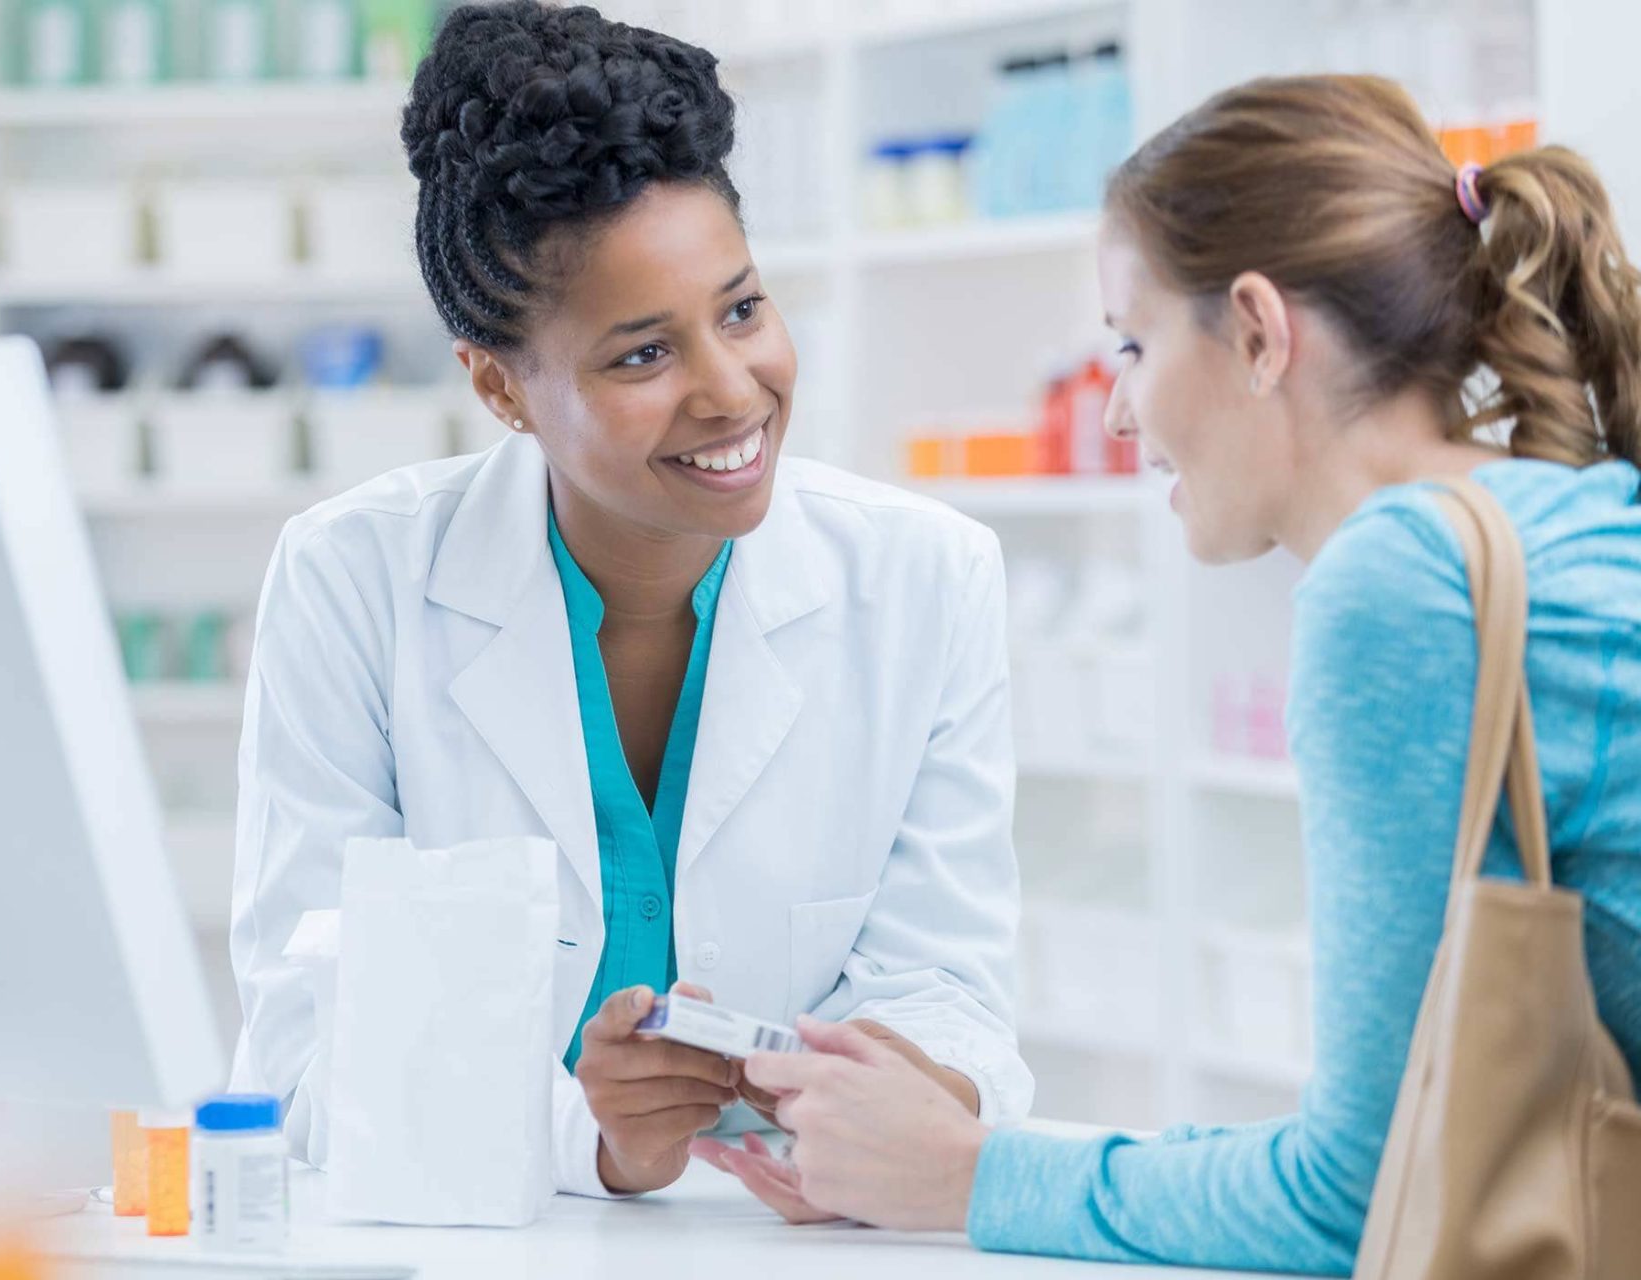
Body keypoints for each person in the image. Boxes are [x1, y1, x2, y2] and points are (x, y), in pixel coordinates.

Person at [698, 74, 1641, 1274]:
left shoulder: (1402, 582)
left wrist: (967, 1172)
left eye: (1133, 345)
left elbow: (1352, 1195)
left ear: (1257, 330)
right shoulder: (1559, 514)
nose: (1121, 413)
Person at [228, 1, 1033, 1200]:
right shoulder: (355, 581)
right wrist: (596, 1139)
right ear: (500, 387)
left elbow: (952, 986)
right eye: (642, 355)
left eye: (743, 308)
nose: (732, 392)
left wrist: (882, 1105)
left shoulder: (925, 578)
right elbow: (306, 1049)